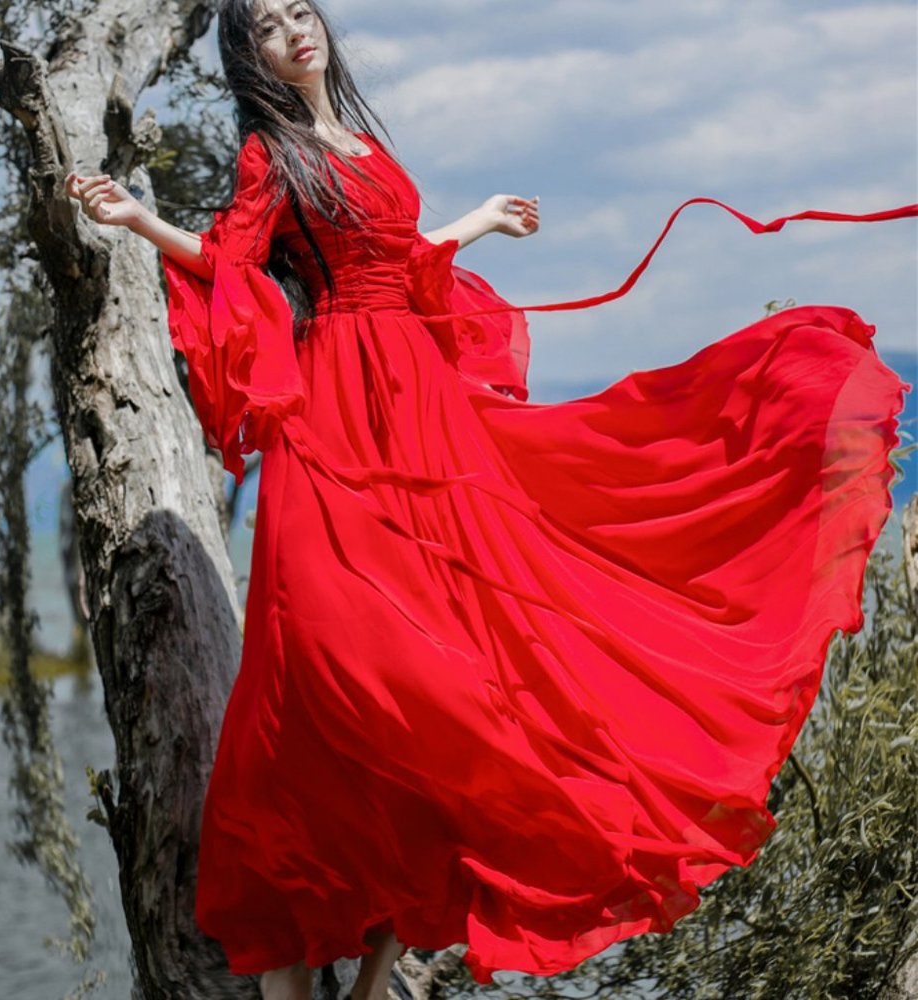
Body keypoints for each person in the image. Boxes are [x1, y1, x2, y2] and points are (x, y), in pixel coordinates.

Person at [64, 1, 908, 998]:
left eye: (301, 11)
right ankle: (293, 953)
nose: (294, 30)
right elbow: (229, 264)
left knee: (463, 653)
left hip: (420, 404)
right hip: (337, 404)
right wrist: (135, 221)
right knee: (337, 659)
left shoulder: (362, 142)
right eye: (266, 27)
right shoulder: (268, 156)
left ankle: (374, 971)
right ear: (246, 56)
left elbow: (401, 258)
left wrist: (479, 222)